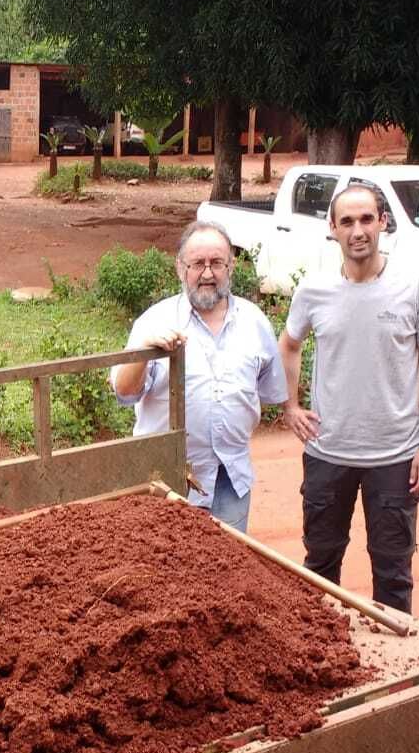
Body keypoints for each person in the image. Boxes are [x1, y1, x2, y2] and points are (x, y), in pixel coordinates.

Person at [278, 184, 419, 613]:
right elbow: (289, 345)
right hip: (327, 451)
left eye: (367, 219)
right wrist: (290, 406)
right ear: (332, 229)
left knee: (393, 570)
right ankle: (319, 655)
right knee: (319, 563)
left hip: (396, 456)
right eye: (348, 221)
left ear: (383, 223)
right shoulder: (313, 290)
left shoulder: (416, 288)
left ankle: (398, 668)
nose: (358, 231)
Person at [110, 221, 287, 532]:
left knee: (228, 567)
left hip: (230, 476)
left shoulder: (255, 322)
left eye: (217, 263)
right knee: (163, 568)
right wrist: (143, 348)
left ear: (231, 267)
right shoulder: (155, 321)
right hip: (164, 479)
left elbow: (268, 390)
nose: (208, 274)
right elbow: (123, 391)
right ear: (181, 268)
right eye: (198, 264)